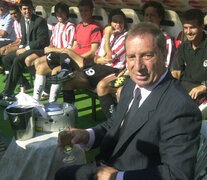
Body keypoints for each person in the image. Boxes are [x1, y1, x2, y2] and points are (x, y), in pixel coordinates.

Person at [55, 22, 201, 180]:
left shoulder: (180, 107)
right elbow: (115, 124)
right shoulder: (133, 83)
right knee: (62, 174)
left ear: (164, 54)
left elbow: (177, 175)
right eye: (131, 56)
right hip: (106, 166)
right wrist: (87, 135)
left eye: (147, 55)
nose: (138, 67)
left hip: (128, 174)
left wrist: (119, 177)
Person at [96, 1, 175, 118]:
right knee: (102, 86)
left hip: (149, 77)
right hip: (130, 72)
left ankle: (128, 122)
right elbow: (131, 57)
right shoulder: (139, 37)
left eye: (152, 15)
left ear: (160, 17)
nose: (149, 18)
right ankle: (114, 121)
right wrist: (126, 71)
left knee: (121, 92)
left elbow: (164, 67)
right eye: (146, 15)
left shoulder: (166, 39)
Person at [47, 9, 127, 107]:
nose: (118, 24)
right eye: (115, 22)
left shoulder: (125, 37)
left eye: (120, 21)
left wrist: (106, 35)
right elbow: (97, 57)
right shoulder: (108, 35)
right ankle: (64, 72)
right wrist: (100, 59)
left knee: (68, 82)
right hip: (98, 65)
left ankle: (68, 111)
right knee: (67, 52)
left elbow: (109, 57)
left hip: (111, 69)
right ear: (110, 23)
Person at [23, 2, 75, 102]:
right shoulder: (56, 26)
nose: (59, 15)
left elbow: (68, 49)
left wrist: (52, 49)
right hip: (54, 54)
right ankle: (41, 93)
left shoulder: (70, 27)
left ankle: (51, 100)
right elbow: (53, 43)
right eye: (57, 13)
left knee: (47, 68)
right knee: (36, 62)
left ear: (66, 13)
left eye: (62, 12)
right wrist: (49, 47)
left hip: (64, 57)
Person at [0, 0, 49, 104]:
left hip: (39, 49)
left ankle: (8, 92)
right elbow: (23, 40)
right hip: (28, 48)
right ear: (21, 10)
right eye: (25, 9)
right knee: (6, 59)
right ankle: (23, 83)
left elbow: (41, 41)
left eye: (29, 8)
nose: (27, 11)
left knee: (18, 59)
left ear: (32, 8)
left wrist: (24, 49)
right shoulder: (22, 20)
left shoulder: (39, 21)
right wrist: (20, 48)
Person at [171, 9, 207, 105]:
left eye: (192, 28)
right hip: (184, 88)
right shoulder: (183, 47)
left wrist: (203, 87)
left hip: (203, 91)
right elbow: (176, 73)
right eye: (186, 28)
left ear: (202, 27)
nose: (188, 32)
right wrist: (172, 89)